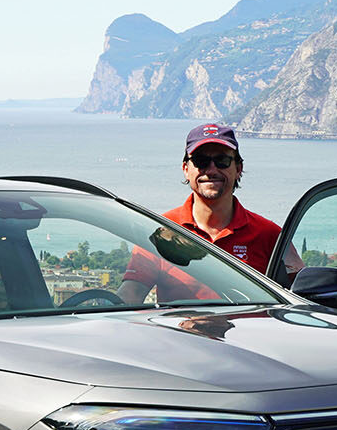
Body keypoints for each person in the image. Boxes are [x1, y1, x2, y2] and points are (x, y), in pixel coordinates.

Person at [117, 123, 303, 304]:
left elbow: (303, 294)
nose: (212, 170)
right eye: (201, 161)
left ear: (238, 168)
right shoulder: (161, 232)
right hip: (179, 336)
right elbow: (130, 294)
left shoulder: (269, 235)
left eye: (222, 161)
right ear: (186, 169)